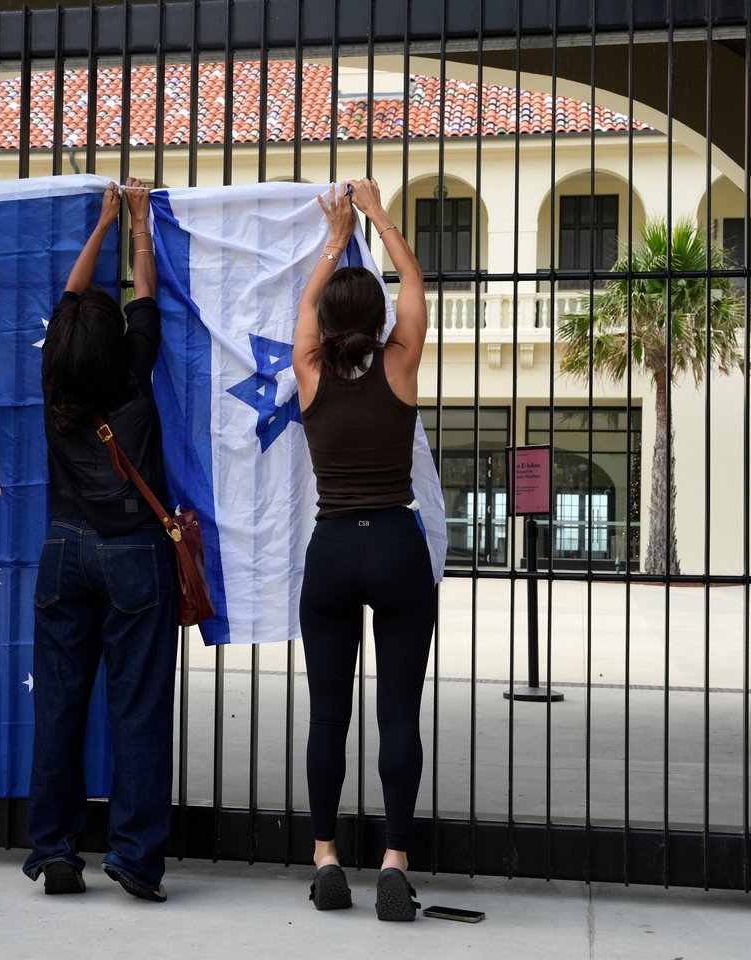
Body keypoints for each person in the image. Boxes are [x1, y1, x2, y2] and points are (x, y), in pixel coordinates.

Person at [22, 178, 178, 903]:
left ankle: (54, 850)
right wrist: (137, 226)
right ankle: (136, 859)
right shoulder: (133, 370)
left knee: (58, 706)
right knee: (136, 711)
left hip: (63, 551)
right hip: (135, 556)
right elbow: (143, 293)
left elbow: (70, 298)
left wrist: (101, 222)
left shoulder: (57, 376)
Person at [290, 179, 435, 921]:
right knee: (398, 713)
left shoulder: (309, 373)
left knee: (326, 716)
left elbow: (308, 307)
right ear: (379, 320)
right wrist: (377, 218)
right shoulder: (400, 364)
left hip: (333, 549)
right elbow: (412, 278)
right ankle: (395, 861)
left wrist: (333, 237)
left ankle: (324, 858)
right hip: (398, 547)